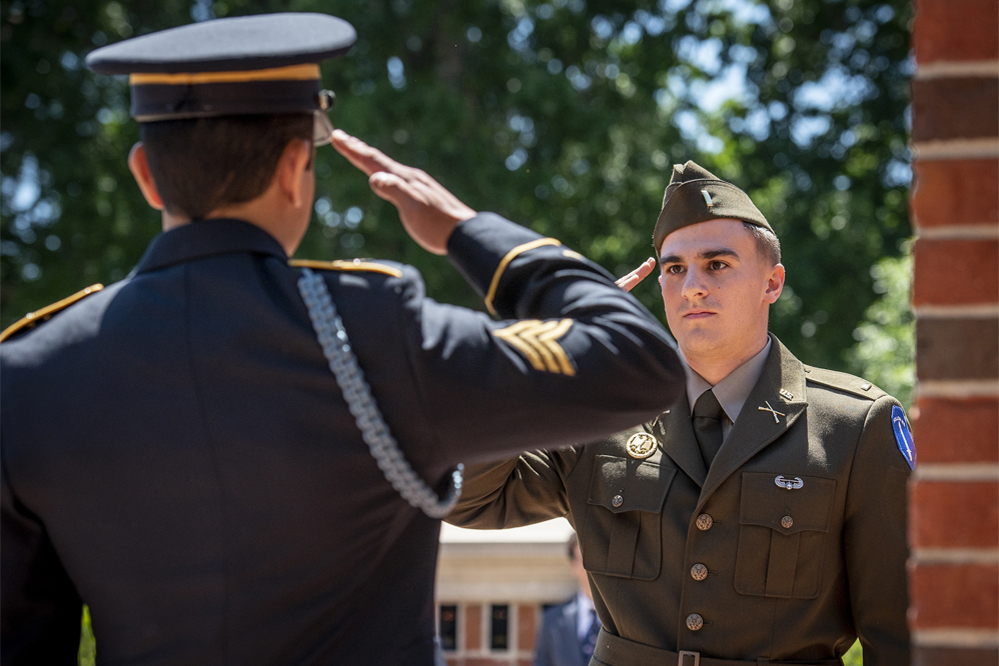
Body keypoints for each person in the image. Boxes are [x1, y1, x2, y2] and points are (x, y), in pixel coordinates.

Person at [0, 13, 686, 666]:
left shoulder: (27, 375)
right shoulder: (375, 332)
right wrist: (464, 230)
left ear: (146, 176)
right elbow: (638, 363)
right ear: (298, 168)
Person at [448, 161, 914, 666]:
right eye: (675, 269)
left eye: (717, 264)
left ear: (772, 282)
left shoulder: (852, 426)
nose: (692, 285)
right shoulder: (598, 410)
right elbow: (469, 499)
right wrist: (531, 363)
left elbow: (902, 637)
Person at [533, 533, 602, 666]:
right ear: (573, 565)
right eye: (585, 561)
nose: (592, 569)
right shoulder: (552, 620)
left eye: (597, 559)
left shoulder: (624, 622)